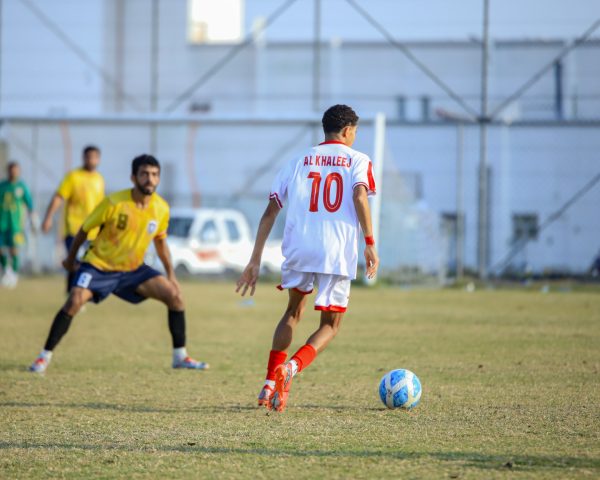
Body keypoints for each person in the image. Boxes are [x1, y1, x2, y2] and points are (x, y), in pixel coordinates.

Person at [236, 104, 379, 412]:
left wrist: (254, 259)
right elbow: (359, 196)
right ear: (347, 131)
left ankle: (268, 384)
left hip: (299, 246)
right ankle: (290, 368)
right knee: (331, 324)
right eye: (355, 131)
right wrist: (369, 243)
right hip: (335, 251)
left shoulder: (298, 160)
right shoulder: (358, 160)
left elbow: (271, 210)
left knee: (292, 312)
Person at [29, 154, 208, 373]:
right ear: (133, 177)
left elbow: (160, 242)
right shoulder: (114, 202)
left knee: (175, 296)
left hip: (132, 269)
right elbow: (84, 230)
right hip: (99, 266)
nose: (150, 179)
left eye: (154, 174)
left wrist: (171, 274)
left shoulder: (161, 208)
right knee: (74, 301)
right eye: (144, 174)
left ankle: (180, 357)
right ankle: (43, 357)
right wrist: (70, 259)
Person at [42, 145, 105, 291]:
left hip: (93, 231)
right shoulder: (73, 177)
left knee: (87, 265)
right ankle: (73, 292)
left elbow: (101, 206)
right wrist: (48, 218)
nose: (91, 160)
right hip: (74, 229)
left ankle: (74, 292)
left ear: (98, 159)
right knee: (75, 262)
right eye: (88, 157)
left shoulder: (99, 179)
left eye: (94, 157)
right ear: (83, 158)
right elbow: (59, 197)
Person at [0, 161, 36, 288]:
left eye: (16, 170)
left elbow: (30, 204)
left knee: (14, 250)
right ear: (8, 171)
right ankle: (6, 271)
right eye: (11, 170)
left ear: (19, 171)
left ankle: (14, 274)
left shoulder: (22, 187)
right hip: (1, 224)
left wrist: (33, 219)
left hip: (16, 225)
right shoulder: (2, 186)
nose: (13, 172)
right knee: (1, 249)